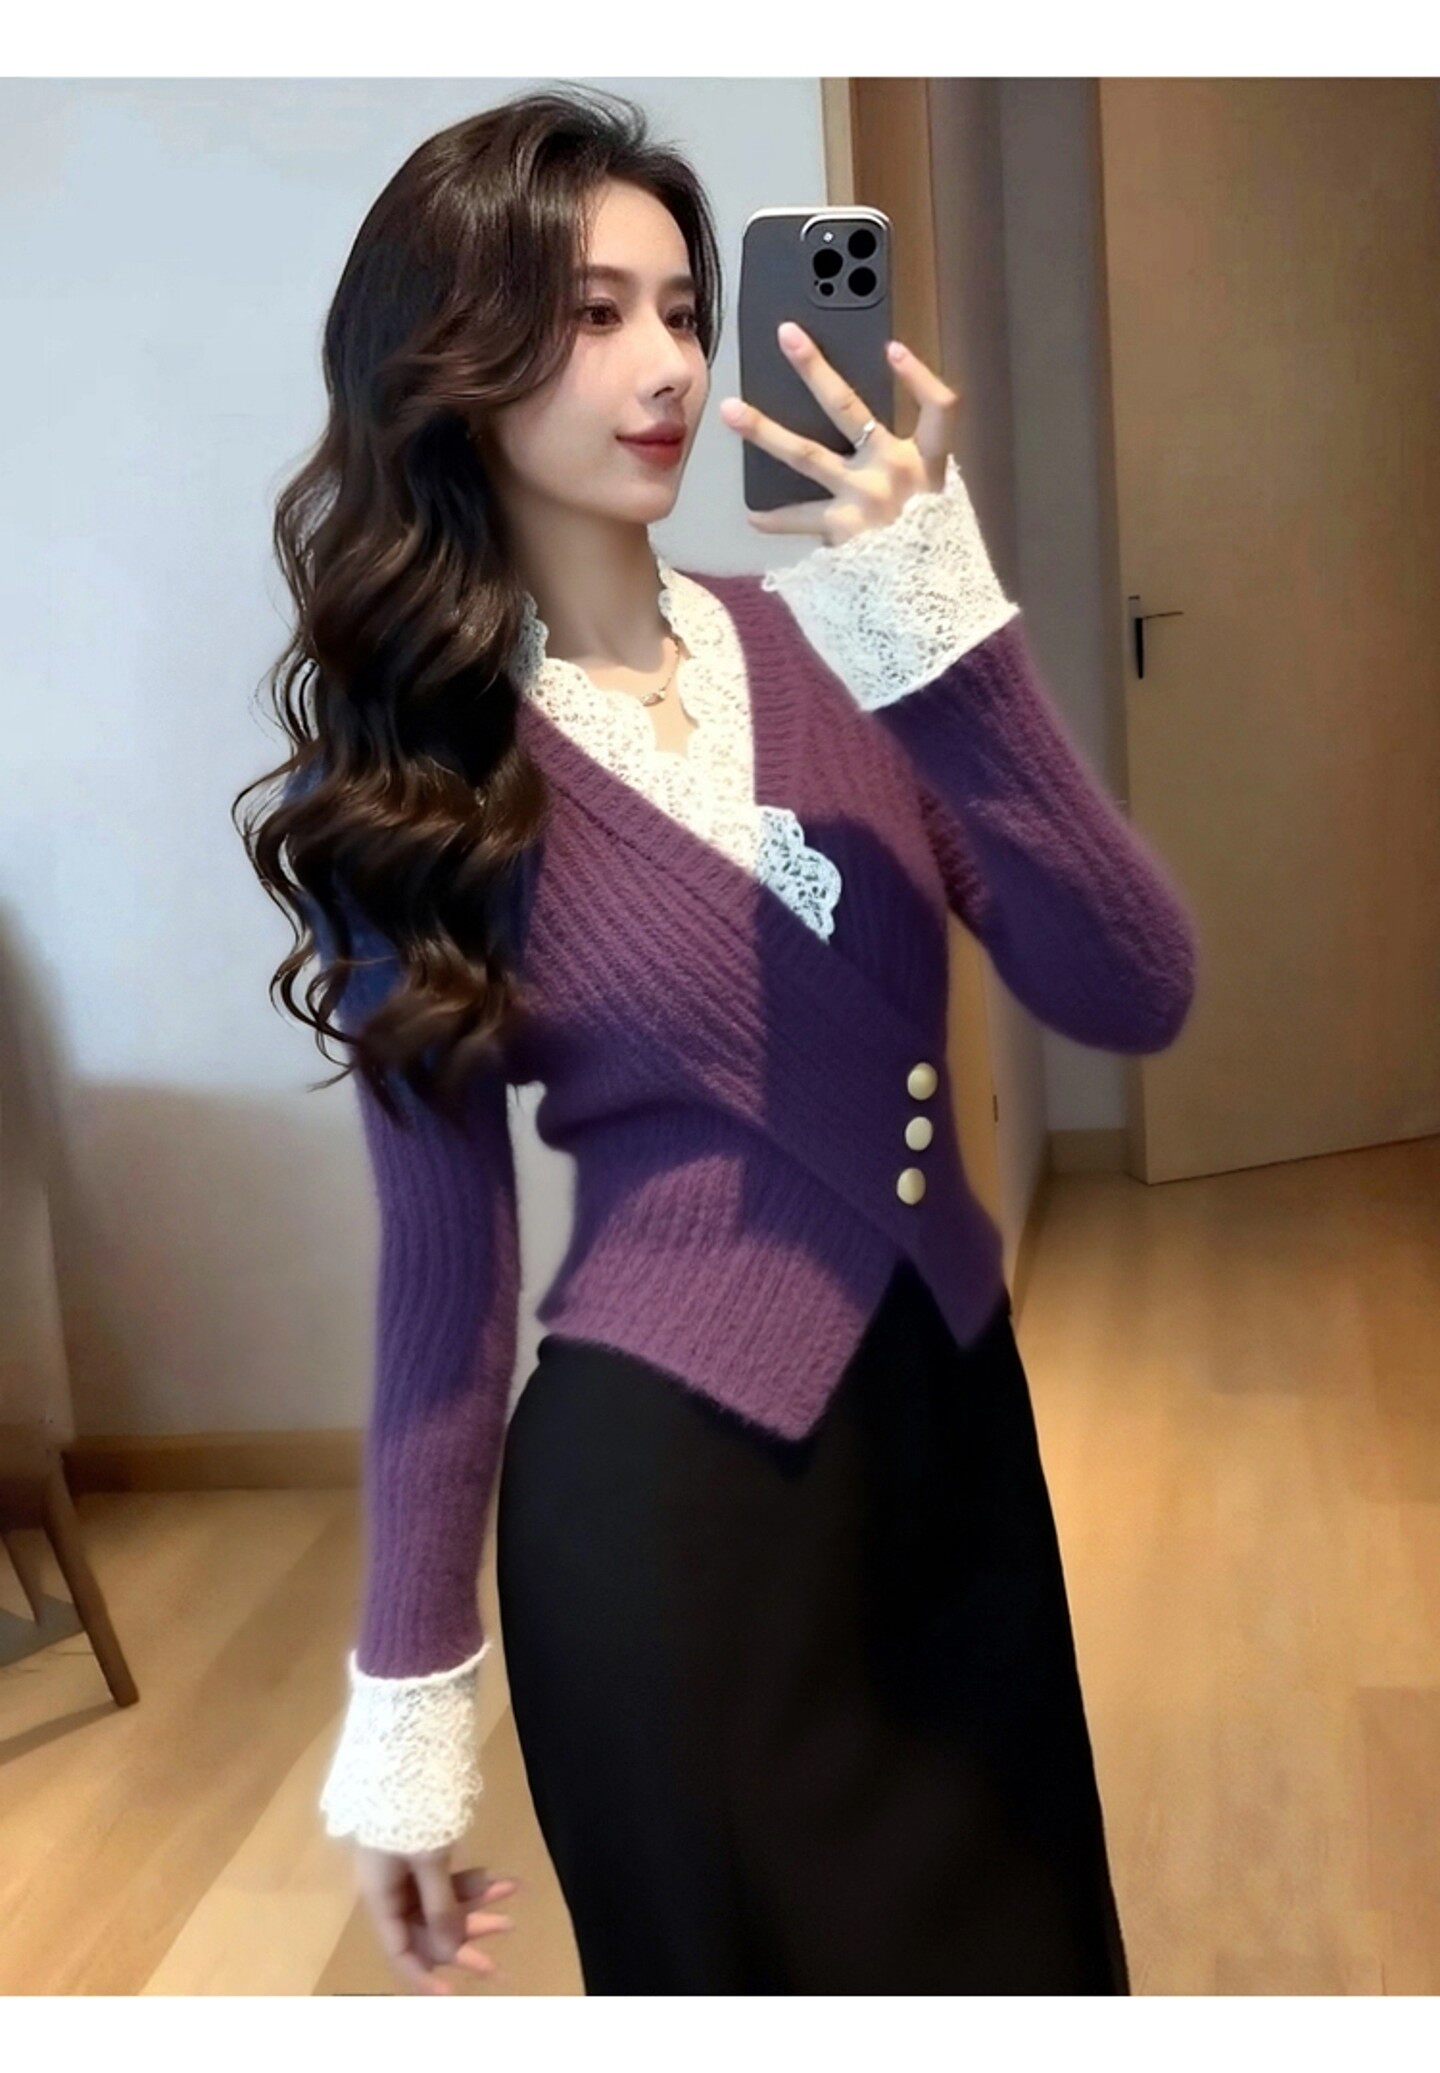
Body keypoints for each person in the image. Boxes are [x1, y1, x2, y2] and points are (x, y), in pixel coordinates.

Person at [238, 83, 1198, 1996]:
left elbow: (1133, 986)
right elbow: (444, 1288)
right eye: (592, 314)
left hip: (955, 1458)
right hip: (668, 1523)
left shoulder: (852, 638)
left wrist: (942, 626)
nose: (669, 363)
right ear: (452, 358)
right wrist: (406, 1711)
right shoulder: (414, 791)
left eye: (683, 309)